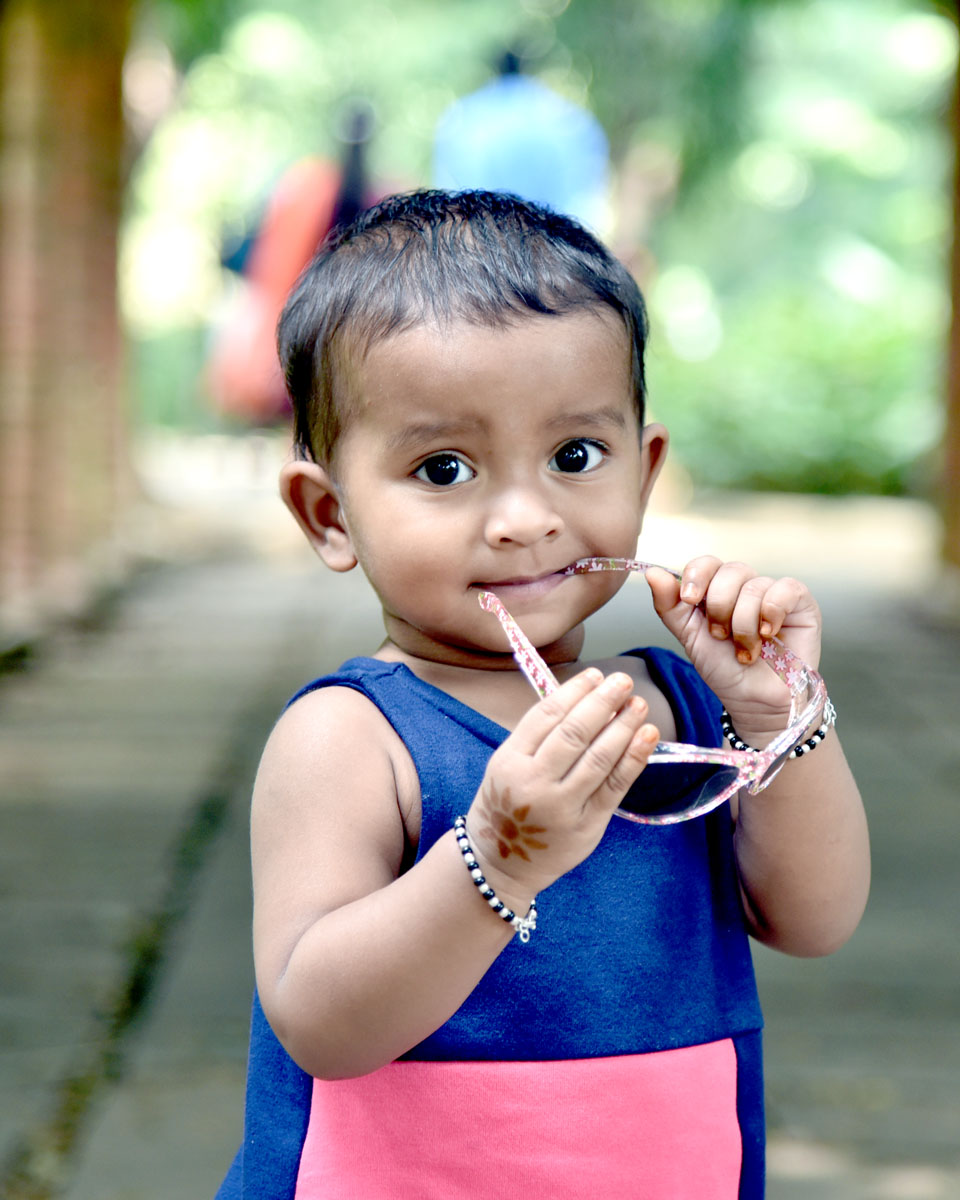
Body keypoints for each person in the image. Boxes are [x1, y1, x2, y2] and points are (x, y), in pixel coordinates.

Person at [216, 190, 869, 1199]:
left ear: (644, 475)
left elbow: (816, 917)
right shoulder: (352, 739)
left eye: (574, 457)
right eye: (443, 468)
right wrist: (495, 859)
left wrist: (779, 715)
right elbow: (322, 1021)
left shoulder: (686, 713)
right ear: (329, 514)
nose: (524, 518)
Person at [433, 50, 609, 231]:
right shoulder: (565, 117)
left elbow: (453, 192)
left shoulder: (467, 119)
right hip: (557, 240)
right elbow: (584, 192)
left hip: (489, 239)